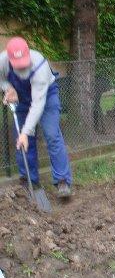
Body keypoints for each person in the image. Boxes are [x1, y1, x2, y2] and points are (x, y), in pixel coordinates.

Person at [0, 37, 72, 197]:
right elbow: (1, 79)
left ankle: (62, 181)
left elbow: (38, 104)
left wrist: (26, 131)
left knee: (52, 135)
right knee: (23, 141)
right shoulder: (2, 61)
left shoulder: (39, 65)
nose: (21, 68)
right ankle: (29, 181)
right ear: (10, 59)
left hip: (45, 97)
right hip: (21, 97)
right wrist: (8, 88)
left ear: (28, 54)